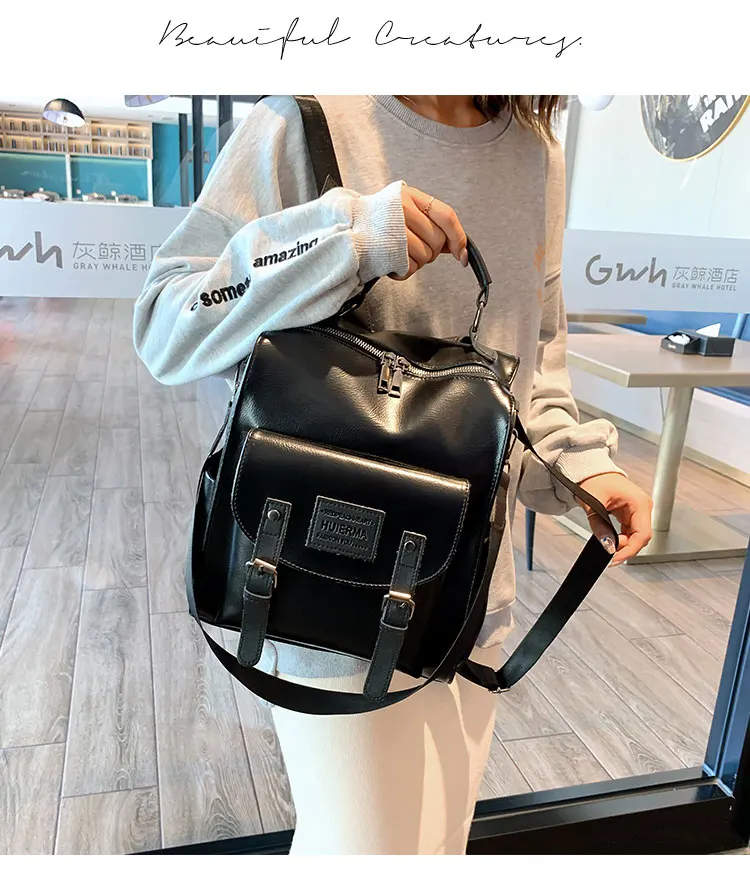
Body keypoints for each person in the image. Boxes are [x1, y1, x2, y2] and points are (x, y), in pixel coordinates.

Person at [133, 95, 653, 854]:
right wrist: (345, 239)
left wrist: (583, 468)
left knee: (439, 847)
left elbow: (531, 366)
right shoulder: (303, 122)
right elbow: (167, 323)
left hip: (465, 586)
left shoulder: (534, 152)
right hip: (326, 587)